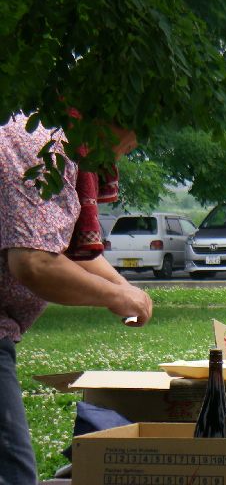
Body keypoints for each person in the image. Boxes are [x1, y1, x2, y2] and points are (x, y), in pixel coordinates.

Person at [0, 114, 153, 485]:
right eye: (135, 129)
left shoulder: (64, 150)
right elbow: (34, 262)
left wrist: (127, 292)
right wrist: (116, 295)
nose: (134, 144)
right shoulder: (42, 149)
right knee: (13, 475)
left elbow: (65, 251)